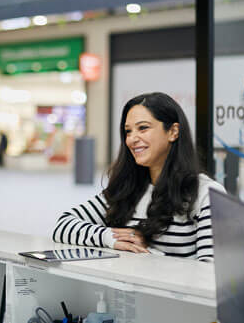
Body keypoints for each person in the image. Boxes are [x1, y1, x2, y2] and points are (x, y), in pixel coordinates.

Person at [52, 92, 225, 261]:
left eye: (143, 128)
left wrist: (150, 255)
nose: (132, 139)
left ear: (173, 131)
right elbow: (63, 225)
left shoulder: (205, 193)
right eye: (128, 131)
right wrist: (110, 237)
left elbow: (210, 272)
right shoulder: (127, 188)